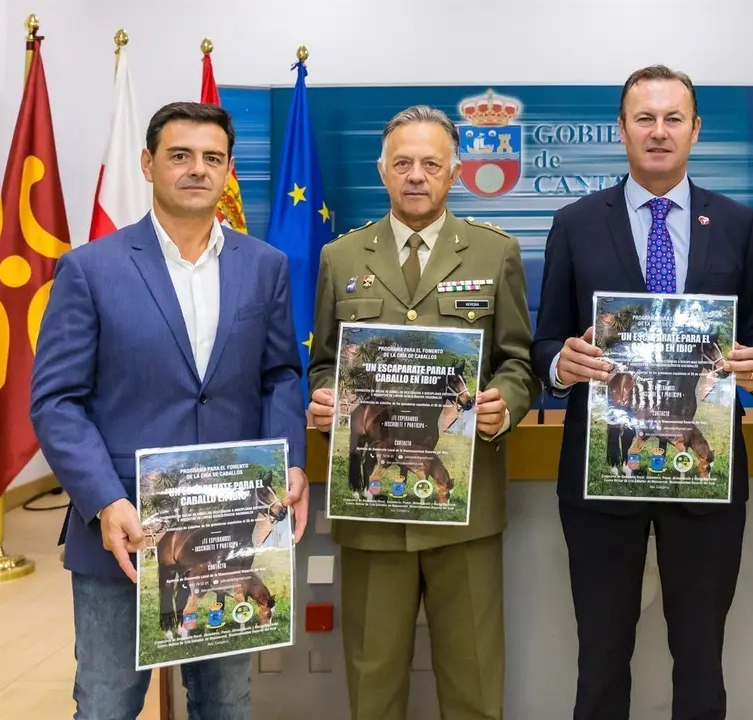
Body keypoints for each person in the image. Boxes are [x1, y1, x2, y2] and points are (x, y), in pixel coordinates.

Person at [28, 101, 310, 720]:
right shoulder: (90, 270)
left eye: (212, 158)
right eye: (180, 155)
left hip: (230, 528)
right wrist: (104, 499)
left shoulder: (264, 267)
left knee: (226, 701)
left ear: (228, 170)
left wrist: (290, 463)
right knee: (106, 701)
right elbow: (55, 401)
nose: (196, 170)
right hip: (125, 531)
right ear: (148, 163)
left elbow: (281, 373)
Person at [531, 65, 753, 720]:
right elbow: (543, 344)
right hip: (602, 472)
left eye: (674, 118)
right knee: (602, 657)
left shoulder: (736, 223)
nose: (659, 131)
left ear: (696, 129)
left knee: (701, 658)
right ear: (622, 129)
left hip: (704, 470)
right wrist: (563, 364)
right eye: (645, 118)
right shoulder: (576, 223)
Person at [307, 105, 538, 720]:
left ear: (455, 172)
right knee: (373, 682)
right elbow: (325, 362)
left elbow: (519, 362)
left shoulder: (495, 254)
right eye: (403, 163)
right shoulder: (342, 258)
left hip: (464, 506)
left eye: (430, 164)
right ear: (382, 171)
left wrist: (503, 404)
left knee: (474, 683)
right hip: (373, 504)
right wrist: (328, 396)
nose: (416, 176)